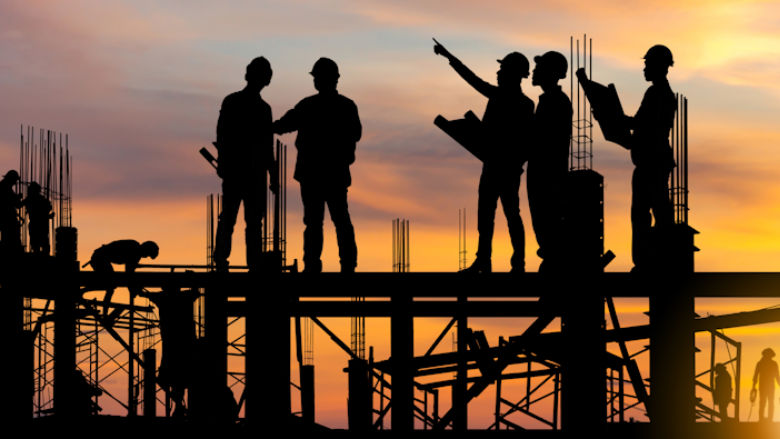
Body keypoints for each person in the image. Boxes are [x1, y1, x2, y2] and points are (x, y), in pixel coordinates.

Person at [433, 42, 534, 273]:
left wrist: (449, 56)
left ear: (513, 74)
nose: (498, 73)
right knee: (488, 215)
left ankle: (515, 263)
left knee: (509, 215)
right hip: (494, 166)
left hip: (505, 168)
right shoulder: (512, 100)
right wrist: (450, 56)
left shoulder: (521, 104)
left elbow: (527, 141)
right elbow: (472, 79)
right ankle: (486, 261)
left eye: (502, 70)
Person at [274, 57, 361, 273]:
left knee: (316, 222)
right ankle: (346, 265)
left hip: (314, 173)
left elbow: (284, 125)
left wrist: (265, 127)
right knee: (338, 219)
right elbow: (356, 134)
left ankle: (314, 266)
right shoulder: (345, 106)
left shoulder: (309, 106)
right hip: (332, 173)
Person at [214, 56, 278, 272]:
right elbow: (223, 135)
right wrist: (273, 175)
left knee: (240, 220)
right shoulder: (249, 105)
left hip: (246, 172)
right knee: (239, 220)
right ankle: (240, 262)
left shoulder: (240, 103)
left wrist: (273, 174)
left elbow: (266, 146)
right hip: (244, 172)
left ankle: (239, 262)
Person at [625, 45, 677, 271]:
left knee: (647, 213)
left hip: (652, 162)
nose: (644, 68)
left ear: (659, 66)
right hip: (652, 160)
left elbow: (643, 125)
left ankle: (650, 261)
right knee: (652, 211)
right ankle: (656, 259)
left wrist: (615, 118)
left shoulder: (659, 94)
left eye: (647, 64)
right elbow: (641, 124)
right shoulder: (658, 93)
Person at [528, 51, 572, 273]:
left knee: (548, 227)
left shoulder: (556, 102)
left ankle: (554, 274)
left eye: (540, 67)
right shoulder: (550, 101)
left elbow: (545, 141)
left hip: (548, 178)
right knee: (545, 229)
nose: (534, 71)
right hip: (543, 175)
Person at [83, 239, 159, 315]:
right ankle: (104, 313)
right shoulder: (134, 250)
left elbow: (129, 274)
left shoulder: (135, 249)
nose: (145, 256)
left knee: (110, 286)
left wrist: (134, 289)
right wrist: (134, 289)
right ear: (146, 249)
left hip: (100, 258)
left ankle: (103, 312)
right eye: (148, 255)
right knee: (110, 286)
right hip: (99, 258)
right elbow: (129, 274)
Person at [22, 181, 54, 254]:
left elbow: (19, 205)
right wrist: (49, 216)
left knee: (36, 246)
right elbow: (45, 212)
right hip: (41, 225)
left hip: (35, 225)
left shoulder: (29, 199)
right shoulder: (42, 200)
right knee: (43, 246)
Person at [752, 347, 780, 422]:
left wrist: (754, 386)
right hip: (767, 386)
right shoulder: (771, 364)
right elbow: (755, 376)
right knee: (765, 402)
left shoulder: (761, 363)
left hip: (766, 386)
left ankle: (765, 418)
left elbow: (777, 377)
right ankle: (764, 418)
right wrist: (754, 386)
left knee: (765, 402)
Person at [0, 170, 22, 254]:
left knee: (7, 238)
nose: (15, 183)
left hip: (5, 217)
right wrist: (18, 198)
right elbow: (14, 203)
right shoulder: (5, 187)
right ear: (11, 179)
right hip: (7, 218)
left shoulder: (4, 185)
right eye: (15, 180)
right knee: (11, 239)